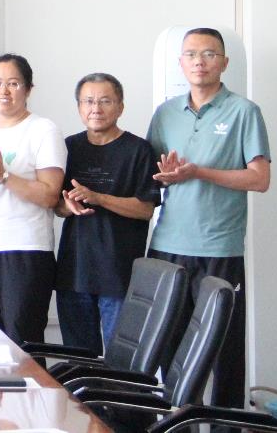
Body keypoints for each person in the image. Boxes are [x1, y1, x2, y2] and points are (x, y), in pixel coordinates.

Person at [147, 28, 271, 413]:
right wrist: (165, 176)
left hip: (219, 247)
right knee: (169, 348)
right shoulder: (165, 113)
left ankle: (225, 426)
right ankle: (179, 421)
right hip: (167, 245)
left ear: (224, 62)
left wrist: (199, 172)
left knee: (224, 351)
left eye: (209, 54)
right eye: (191, 55)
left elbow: (259, 179)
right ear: (180, 63)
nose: (199, 62)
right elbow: (152, 174)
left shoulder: (244, 112)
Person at [0, 53, 65, 345]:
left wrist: (4, 175)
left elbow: (49, 195)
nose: (3, 91)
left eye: (13, 83)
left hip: (26, 249)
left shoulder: (44, 130)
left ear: (28, 89)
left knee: (22, 339)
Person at [54, 72, 159, 355]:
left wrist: (98, 198)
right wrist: (68, 205)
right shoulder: (68, 147)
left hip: (119, 275)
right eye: (88, 101)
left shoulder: (139, 150)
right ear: (79, 107)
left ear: (120, 107)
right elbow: (57, 206)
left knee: (120, 363)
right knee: (79, 360)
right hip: (74, 273)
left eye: (105, 101)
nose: (95, 108)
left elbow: (145, 209)